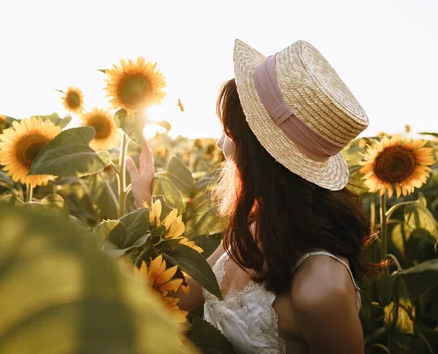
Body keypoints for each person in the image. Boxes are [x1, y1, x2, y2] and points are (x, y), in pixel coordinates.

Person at [126, 39, 379, 354]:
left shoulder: (321, 288)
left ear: (259, 154)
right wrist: (144, 205)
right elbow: (187, 294)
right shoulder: (252, 223)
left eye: (229, 133)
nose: (220, 143)